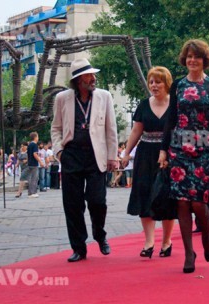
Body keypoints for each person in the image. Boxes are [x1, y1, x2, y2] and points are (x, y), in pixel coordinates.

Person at [158, 39, 209, 273]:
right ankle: (189, 253)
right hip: (179, 148)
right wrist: (163, 150)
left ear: (204, 59)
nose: (192, 60)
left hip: (205, 147)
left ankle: (206, 232)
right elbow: (170, 119)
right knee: (182, 202)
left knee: (199, 202)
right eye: (188, 56)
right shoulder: (177, 85)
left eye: (196, 56)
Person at [51, 58, 118, 262]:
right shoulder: (62, 98)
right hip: (71, 154)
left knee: (97, 201)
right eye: (89, 75)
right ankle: (79, 248)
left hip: (96, 155)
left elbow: (111, 129)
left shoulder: (104, 96)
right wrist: (59, 151)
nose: (93, 78)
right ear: (79, 79)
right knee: (73, 204)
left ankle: (100, 235)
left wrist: (112, 157)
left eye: (93, 74)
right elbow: (56, 128)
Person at [123, 66, 175, 259]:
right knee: (144, 194)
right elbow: (136, 131)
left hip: (168, 156)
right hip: (145, 155)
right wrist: (127, 153)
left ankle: (167, 241)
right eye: (151, 81)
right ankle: (149, 241)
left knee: (166, 197)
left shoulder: (175, 104)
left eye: (158, 81)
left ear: (166, 83)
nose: (154, 85)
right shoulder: (144, 105)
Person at [27, 132, 42, 198]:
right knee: (34, 178)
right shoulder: (35, 145)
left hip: (30, 163)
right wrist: (40, 161)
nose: (38, 138)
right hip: (34, 163)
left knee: (30, 178)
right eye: (37, 136)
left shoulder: (29, 145)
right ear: (35, 137)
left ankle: (30, 192)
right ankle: (33, 192)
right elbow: (35, 154)